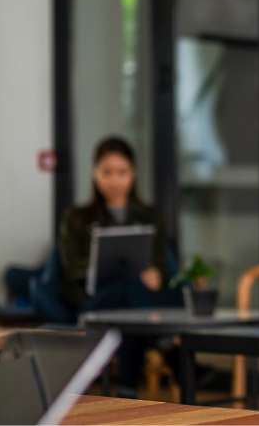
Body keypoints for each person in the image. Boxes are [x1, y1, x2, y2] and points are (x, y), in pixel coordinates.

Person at [58, 136, 176, 398]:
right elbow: (70, 273)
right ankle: (168, 348)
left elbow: (161, 269)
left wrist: (155, 277)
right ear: (94, 173)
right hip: (93, 304)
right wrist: (100, 271)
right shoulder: (76, 218)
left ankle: (127, 394)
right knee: (129, 287)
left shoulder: (151, 216)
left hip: (133, 305)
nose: (114, 181)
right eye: (107, 172)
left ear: (132, 174)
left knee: (127, 310)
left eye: (122, 172)